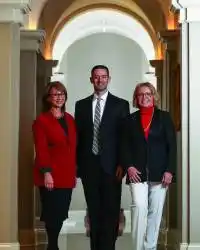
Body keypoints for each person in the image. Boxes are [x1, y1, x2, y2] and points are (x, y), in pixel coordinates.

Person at [75, 65, 130, 250]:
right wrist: (77, 166)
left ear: (109, 78)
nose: (100, 80)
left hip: (112, 167)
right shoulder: (81, 105)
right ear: (91, 79)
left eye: (103, 76)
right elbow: (79, 138)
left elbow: (125, 137)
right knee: (94, 211)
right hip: (89, 167)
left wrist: (122, 163)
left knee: (111, 211)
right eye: (96, 77)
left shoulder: (121, 104)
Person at [120, 82, 177, 250]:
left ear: (154, 97)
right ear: (136, 99)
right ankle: (138, 247)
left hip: (160, 173)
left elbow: (172, 146)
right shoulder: (129, 120)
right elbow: (124, 146)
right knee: (139, 206)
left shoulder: (164, 117)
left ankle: (150, 246)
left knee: (155, 213)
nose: (144, 97)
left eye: (148, 94)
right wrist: (128, 166)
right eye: (140, 94)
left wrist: (170, 170)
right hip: (136, 173)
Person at [32, 81, 76, 250]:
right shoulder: (41, 121)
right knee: (52, 212)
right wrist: (47, 172)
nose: (59, 97)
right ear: (48, 98)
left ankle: (53, 245)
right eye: (55, 94)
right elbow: (41, 149)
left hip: (67, 174)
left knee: (61, 212)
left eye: (62, 94)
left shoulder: (70, 119)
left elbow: (73, 147)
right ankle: (52, 246)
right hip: (50, 174)